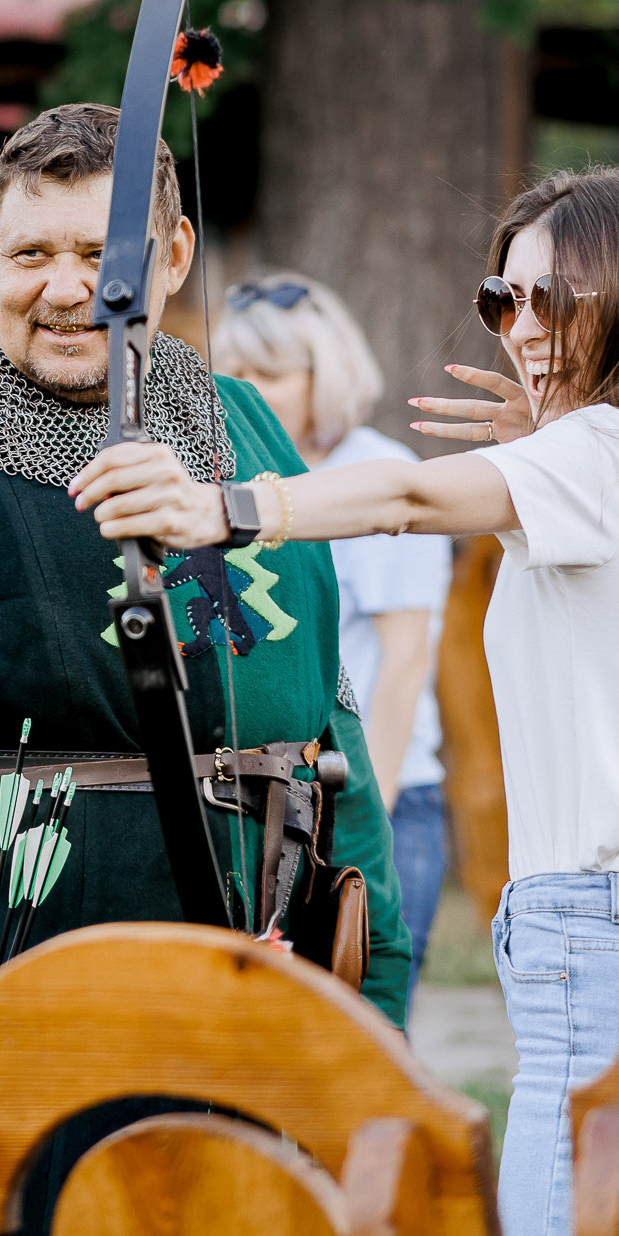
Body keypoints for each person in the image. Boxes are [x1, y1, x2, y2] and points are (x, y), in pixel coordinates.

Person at [0, 102, 411, 1236]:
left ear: (174, 255)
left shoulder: (242, 429)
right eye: (30, 253)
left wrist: (378, 979)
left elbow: (319, 720)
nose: (66, 288)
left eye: (102, 253)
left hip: (253, 1003)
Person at [119, 168, 619, 1236]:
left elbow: (405, 497)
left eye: (556, 300)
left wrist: (227, 504)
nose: (523, 327)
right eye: (506, 299)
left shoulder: (603, 458)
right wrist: (542, 446)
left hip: (605, 942)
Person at [213, 273, 454, 985]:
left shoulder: (379, 472)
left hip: (374, 801)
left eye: (271, 372)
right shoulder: (228, 479)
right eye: (233, 368)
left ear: (325, 376)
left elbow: (406, 662)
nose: (246, 386)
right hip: (263, 805)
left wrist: (359, 821)